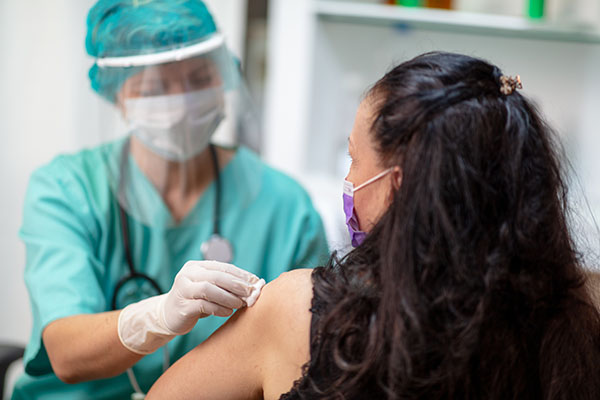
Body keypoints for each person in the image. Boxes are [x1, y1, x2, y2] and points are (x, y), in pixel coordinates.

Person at [146, 52, 600, 400]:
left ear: (396, 186)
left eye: (354, 159)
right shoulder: (572, 329)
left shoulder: (298, 311)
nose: (349, 181)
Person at [12, 1, 329, 398]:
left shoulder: (285, 205)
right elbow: (66, 354)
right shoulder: (67, 189)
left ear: (223, 75)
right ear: (118, 96)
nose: (181, 101)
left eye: (199, 78)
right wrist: (158, 316)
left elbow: (313, 343)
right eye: (155, 88)